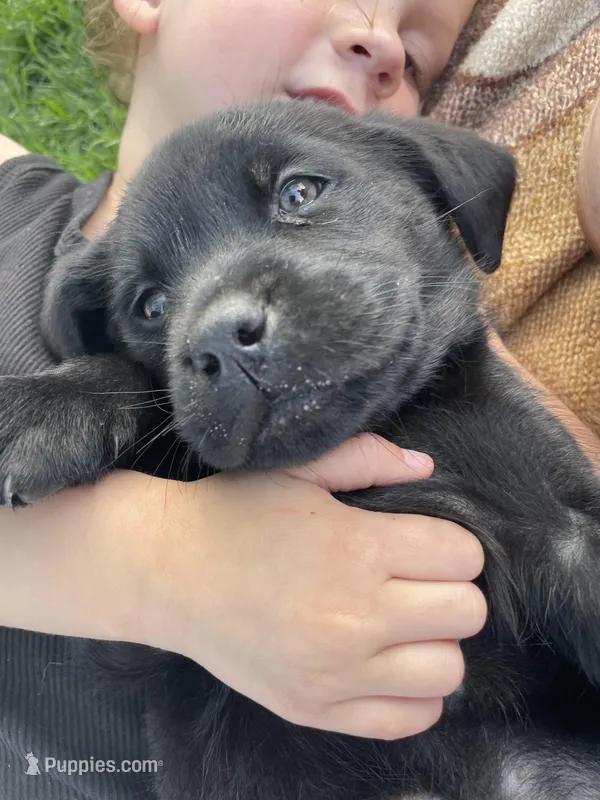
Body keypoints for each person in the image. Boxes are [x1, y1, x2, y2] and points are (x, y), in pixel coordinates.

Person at [0, 0, 597, 797]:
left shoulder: (468, 374)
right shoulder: (18, 223)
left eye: (300, 194)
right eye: (150, 309)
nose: (377, 36)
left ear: (424, 179)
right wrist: (155, 562)